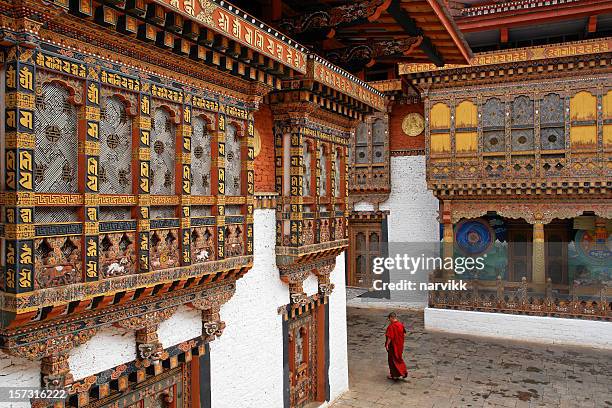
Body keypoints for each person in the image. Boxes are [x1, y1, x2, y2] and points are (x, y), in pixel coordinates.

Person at [385, 312, 408, 380]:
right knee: (399, 358)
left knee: (392, 360)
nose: (389, 320)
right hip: (400, 345)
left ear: (392, 318)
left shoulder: (391, 326)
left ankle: (394, 375)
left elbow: (390, 337)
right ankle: (403, 372)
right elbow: (404, 332)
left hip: (393, 346)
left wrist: (387, 344)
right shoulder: (400, 324)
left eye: (389, 319)